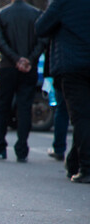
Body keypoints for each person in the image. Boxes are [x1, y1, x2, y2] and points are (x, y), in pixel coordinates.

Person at [36, 0, 90, 183]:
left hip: (72, 66)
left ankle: (86, 168)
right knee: (84, 117)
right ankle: (74, 163)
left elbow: (41, 27)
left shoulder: (63, 2)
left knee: (80, 117)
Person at [0, 0, 46, 162]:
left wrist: (15, 59)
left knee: (2, 107)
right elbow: (42, 40)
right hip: (29, 69)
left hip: (7, 67)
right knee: (24, 108)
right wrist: (29, 59)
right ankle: (22, 149)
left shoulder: (1, 14)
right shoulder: (36, 15)